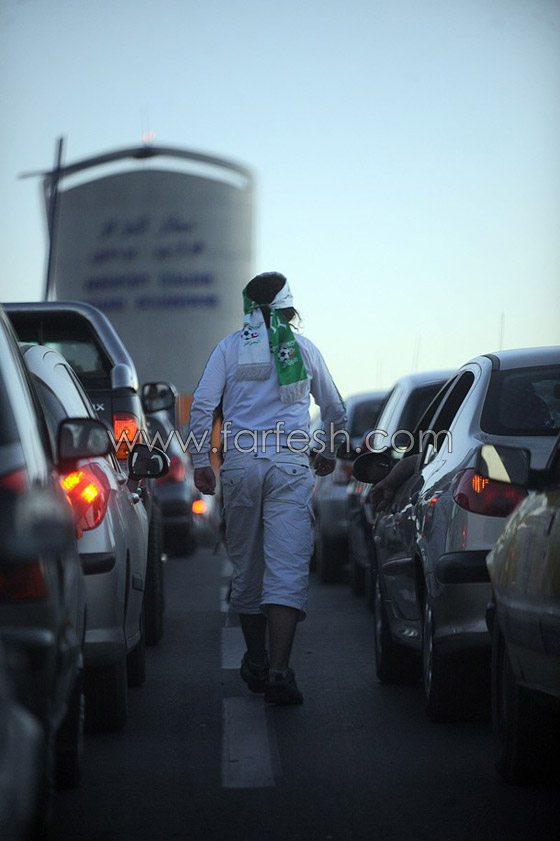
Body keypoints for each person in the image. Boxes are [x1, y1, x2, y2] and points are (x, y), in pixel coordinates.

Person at [188, 271, 347, 706]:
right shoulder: (305, 350)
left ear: (248, 308)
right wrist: (328, 449)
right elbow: (334, 408)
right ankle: (279, 672)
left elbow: (203, 405)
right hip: (290, 467)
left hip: (240, 466)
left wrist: (201, 461)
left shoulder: (229, 348)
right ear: (289, 310)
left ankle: (256, 662)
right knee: (286, 569)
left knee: (248, 569)